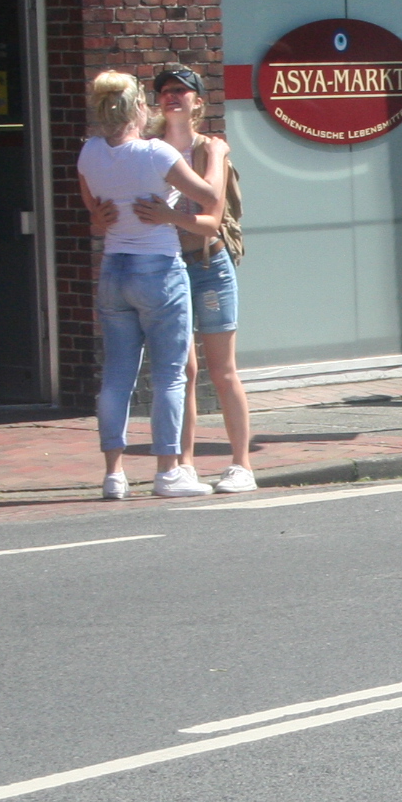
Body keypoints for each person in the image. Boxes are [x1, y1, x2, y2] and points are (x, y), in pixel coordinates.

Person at [77, 70, 223, 500]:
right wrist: (216, 156)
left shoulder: (89, 152)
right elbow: (210, 197)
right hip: (158, 267)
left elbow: (94, 209)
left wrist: (103, 215)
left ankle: (113, 474)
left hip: (114, 267)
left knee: (116, 376)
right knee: (170, 375)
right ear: (139, 108)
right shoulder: (156, 153)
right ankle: (168, 472)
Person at [142, 65, 257, 492]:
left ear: (197, 102)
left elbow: (212, 217)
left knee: (222, 370)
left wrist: (168, 216)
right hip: (167, 267)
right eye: (165, 91)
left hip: (209, 264)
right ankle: (185, 464)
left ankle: (242, 465)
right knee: (183, 370)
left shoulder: (211, 149)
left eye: (181, 91)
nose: (172, 96)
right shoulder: (148, 150)